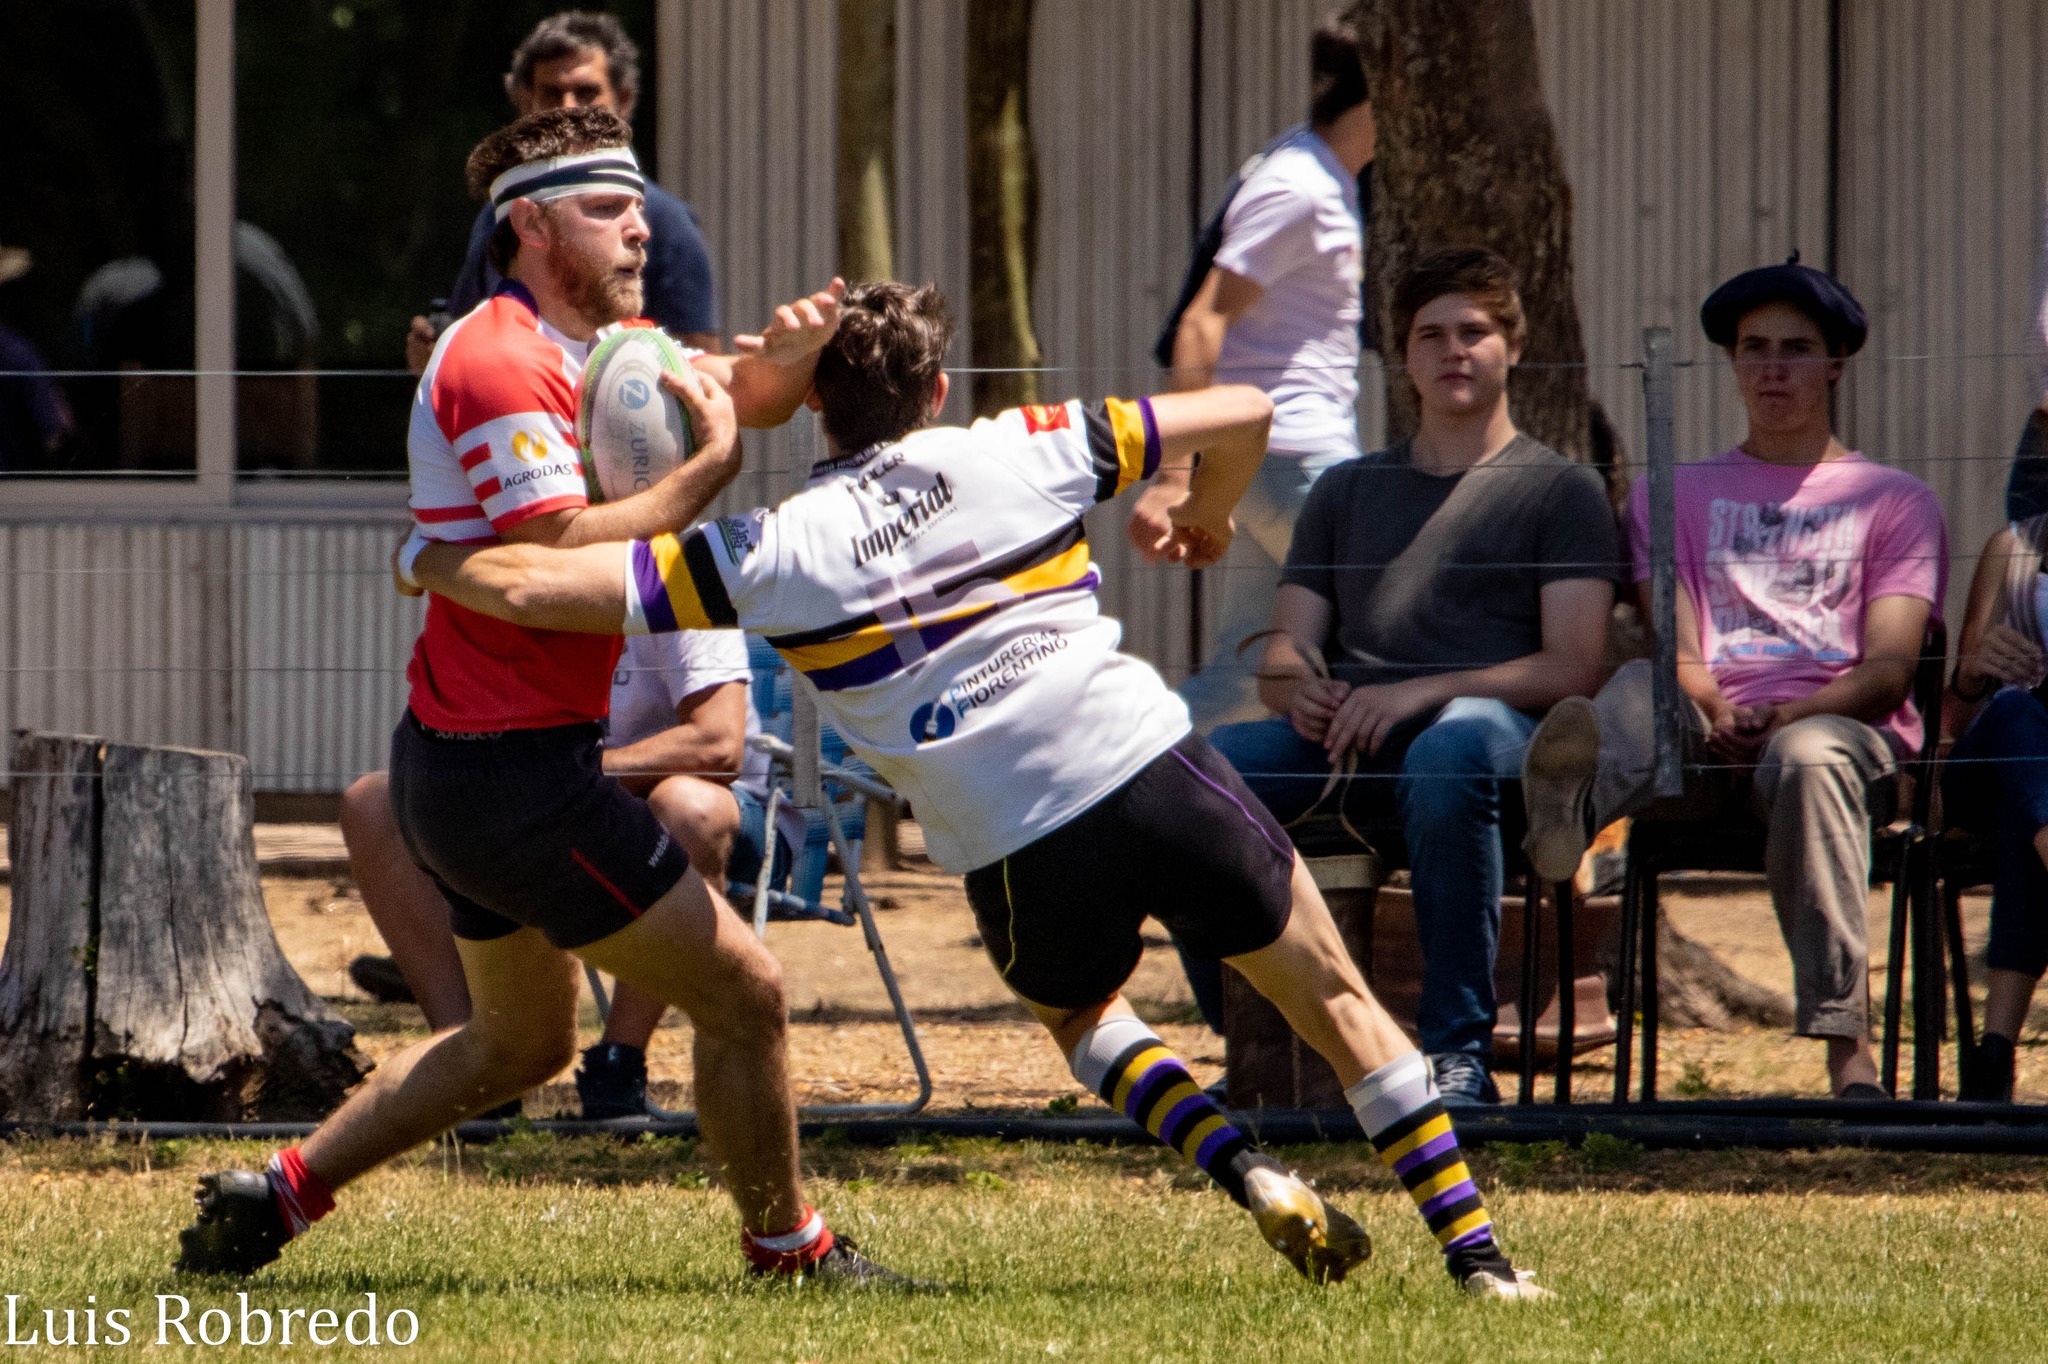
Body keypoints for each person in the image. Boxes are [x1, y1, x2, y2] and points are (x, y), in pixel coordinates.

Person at [404, 280, 1549, 1300]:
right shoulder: (1020, 444)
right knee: (1338, 1002)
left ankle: (1242, 1165)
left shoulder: (767, 550)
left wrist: (431, 556)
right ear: (938, 388)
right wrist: (1202, 512)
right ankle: (1478, 1257)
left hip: (1006, 837)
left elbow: (543, 584)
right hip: (1145, 763)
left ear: (814, 409)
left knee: (1082, 1015)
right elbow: (1244, 412)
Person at [175, 106, 910, 1286]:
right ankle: (789, 1248)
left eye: (638, 207)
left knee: (519, 1040)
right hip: (512, 776)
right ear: (528, 224)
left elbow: (733, 392)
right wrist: (709, 476)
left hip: (479, 765)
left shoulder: (607, 350)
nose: (640, 230)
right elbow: (562, 557)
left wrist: (788, 356)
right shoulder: (499, 357)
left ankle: (282, 1191)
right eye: (607, 210)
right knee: (749, 994)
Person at [1175, 248, 1619, 1105]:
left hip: (1499, 752)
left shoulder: (1560, 490)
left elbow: (1573, 666)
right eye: (1432, 335)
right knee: (1199, 776)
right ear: (1403, 357)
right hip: (1350, 747)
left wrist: (1416, 692)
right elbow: (1285, 652)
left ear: (1514, 348)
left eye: (1475, 332)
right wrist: (1299, 685)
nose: (1454, 350)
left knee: (1450, 746)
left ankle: (1458, 1056)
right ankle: (1254, 1036)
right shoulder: (1346, 492)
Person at [1520, 259, 1949, 1102]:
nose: (1773, 368)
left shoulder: (1896, 500)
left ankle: (1846, 1045)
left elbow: (1890, 669)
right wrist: (1709, 697)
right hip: (1694, 739)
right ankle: (1566, 814)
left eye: (1796, 349)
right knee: (1640, 693)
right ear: (1731, 363)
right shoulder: (1670, 492)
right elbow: (1668, 631)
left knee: (1811, 756)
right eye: (1754, 349)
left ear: (1836, 364)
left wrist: (1790, 709)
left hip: (1833, 743)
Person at [340, 625, 789, 1119]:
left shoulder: (673, 587)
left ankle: (617, 1069)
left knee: (685, 806)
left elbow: (717, 748)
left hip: (717, 812)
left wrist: (574, 771)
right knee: (374, 804)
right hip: (570, 809)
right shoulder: (526, 597)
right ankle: (473, 1070)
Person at [1132, 12, 1376, 731]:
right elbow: (1202, 321)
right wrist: (1176, 476)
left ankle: (1122, 794)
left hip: (1285, 455)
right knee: (1393, 621)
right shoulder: (1297, 186)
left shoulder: (1324, 177)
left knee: (1242, 676)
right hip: (1293, 458)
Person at [404, 10, 717, 373]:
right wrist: (436, 358)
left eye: (586, 93)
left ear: (625, 100)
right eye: (551, 93)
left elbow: (701, 375)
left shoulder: (667, 222)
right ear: (527, 220)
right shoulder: (499, 212)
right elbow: (465, 337)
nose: (568, 109)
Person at [1942, 518, 2048, 1102]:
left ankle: (1994, 1058)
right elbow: (1957, 707)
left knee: (2026, 811)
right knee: (2012, 712)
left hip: (2027, 793)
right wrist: (1976, 666)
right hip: (1981, 763)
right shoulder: (2013, 549)